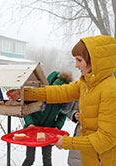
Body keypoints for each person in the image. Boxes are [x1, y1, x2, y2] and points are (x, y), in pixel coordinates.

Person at [6, 35, 116, 166]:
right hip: (89, 158)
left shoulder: (110, 90)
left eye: (79, 60)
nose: (76, 65)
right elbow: (59, 92)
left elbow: (107, 138)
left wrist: (66, 142)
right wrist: (25, 94)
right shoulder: (87, 84)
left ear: (94, 60)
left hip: (105, 160)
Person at [22, 71, 72, 166]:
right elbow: (26, 109)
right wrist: (30, 123)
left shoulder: (63, 98)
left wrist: (57, 126)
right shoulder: (40, 93)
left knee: (47, 160)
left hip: (49, 131)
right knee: (29, 159)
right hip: (32, 130)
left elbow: (63, 115)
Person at [60, 100, 81, 166]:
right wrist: (75, 114)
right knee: (76, 161)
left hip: (102, 135)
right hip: (80, 134)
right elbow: (70, 109)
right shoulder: (83, 91)